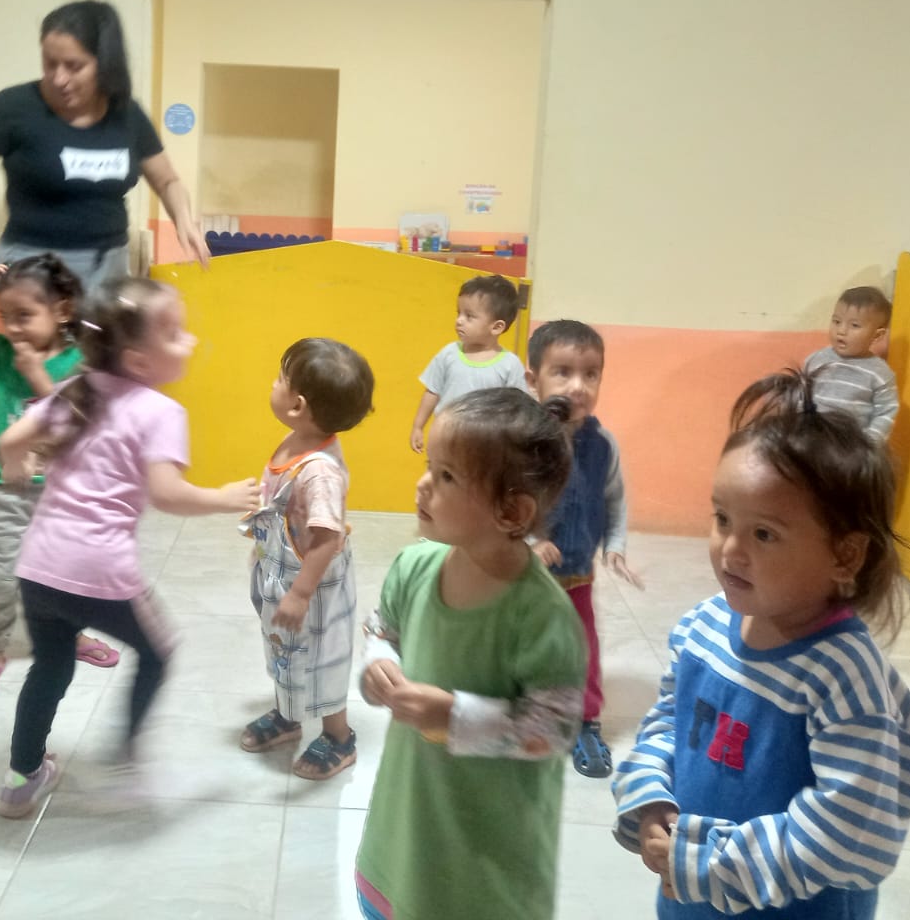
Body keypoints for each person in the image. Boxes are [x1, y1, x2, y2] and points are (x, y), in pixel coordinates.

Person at [612, 368, 910, 918]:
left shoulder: (842, 674)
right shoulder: (703, 626)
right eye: (722, 519)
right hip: (692, 898)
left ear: (845, 555)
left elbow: (852, 833)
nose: (730, 550)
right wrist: (650, 798)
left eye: (764, 533)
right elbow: (668, 724)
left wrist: (710, 863)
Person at [0, 277, 260, 818]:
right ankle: (126, 760)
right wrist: (224, 498)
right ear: (138, 360)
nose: (190, 340)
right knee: (158, 652)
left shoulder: (75, 388)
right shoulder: (160, 412)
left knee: (50, 667)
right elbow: (167, 495)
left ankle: (21, 779)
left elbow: (9, 439)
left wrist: (18, 467)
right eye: (175, 333)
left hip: (38, 566)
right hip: (99, 572)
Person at [356, 388, 586, 920]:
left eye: (446, 476)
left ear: (512, 511)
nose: (423, 484)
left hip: (484, 851)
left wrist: (455, 716)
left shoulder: (542, 616)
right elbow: (382, 628)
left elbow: (554, 728)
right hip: (406, 820)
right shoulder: (414, 566)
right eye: (429, 468)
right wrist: (378, 661)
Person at [0, 0, 209, 299]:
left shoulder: (127, 114)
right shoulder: (14, 108)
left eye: (74, 66)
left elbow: (167, 180)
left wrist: (182, 217)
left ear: (105, 64)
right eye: (49, 63)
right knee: (47, 348)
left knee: (104, 346)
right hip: (34, 269)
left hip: (108, 267)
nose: (59, 78)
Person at [0, 255, 120, 696]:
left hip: (66, 493)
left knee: (66, 575)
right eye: (4, 316)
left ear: (62, 311)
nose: (13, 328)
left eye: (24, 316)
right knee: (1, 577)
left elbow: (78, 421)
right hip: (7, 490)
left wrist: (36, 376)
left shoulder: (80, 360)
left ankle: (72, 635)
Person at [240, 338, 375, 780]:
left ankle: (339, 737)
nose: (273, 383)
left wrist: (300, 594)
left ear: (297, 405)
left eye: (281, 378)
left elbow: (327, 537)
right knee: (285, 654)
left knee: (320, 663)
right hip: (281, 576)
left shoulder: (320, 472)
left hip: (312, 587)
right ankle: (288, 715)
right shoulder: (296, 440)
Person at [524, 319, 644, 779]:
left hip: (578, 575)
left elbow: (614, 498)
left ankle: (586, 721)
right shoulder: (521, 441)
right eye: (563, 372)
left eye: (590, 374)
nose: (578, 386)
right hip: (524, 578)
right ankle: (523, 712)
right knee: (524, 646)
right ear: (533, 379)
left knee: (583, 650)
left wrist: (615, 545)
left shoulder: (603, 443)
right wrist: (531, 542)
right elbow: (503, 500)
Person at [409, 274, 526, 453]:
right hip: (445, 440)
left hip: (486, 447)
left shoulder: (510, 365)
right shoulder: (449, 353)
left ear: (496, 327)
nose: (459, 320)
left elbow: (517, 409)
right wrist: (418, 426)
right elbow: (432, 391)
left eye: (469, 316)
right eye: (459, 313)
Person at [802, 285, 898, 443]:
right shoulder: (815, 360)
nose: (841, 330)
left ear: (877, 335)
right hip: (813, 440)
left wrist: (868, 444)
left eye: (854, 325)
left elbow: (886, 412)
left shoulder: (880, 373)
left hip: (852, 447)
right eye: (836, 321)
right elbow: (800, 395)